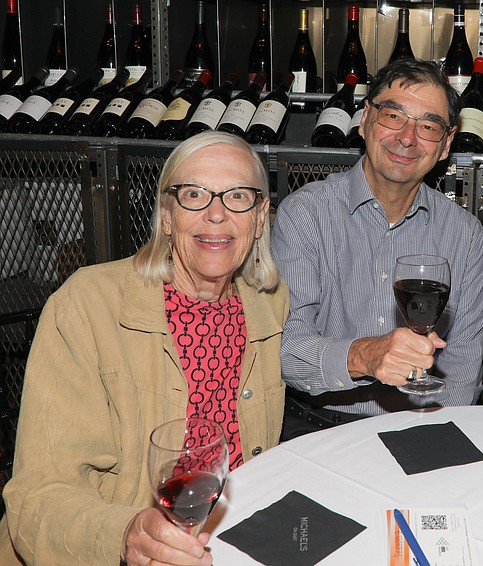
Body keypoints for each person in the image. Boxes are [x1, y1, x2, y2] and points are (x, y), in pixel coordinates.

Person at [1, 132, 289, 566]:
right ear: (167, 214)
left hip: (229, 540)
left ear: (261, 215)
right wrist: (124, 536)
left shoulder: (270, 301)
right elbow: (37, 498)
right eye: (194, 194)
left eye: (238, 196)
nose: (216, 214)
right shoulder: (87, 305)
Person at [272, 59, 483, 439]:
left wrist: (432, 443)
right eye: (393, 115)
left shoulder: (465, 234)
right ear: (365, 120)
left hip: (420, 426)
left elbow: (461, 371)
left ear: (445, 145)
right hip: (316, 427)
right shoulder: (305, 214)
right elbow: (286, 349)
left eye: (428, 126)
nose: (407, 138)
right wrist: (363, 356)